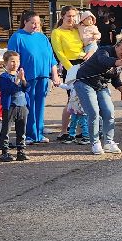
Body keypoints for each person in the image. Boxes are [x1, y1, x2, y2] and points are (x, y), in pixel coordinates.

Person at [74, 33, 122, 155]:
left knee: (109, 112)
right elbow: (103, 61)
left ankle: (109, 142)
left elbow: (116, 79)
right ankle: (95, 143)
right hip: (84, 82)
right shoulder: (104, 50)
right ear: (116, 46)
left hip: (101, 85)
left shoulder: (120, 62)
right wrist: (118, 62)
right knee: (94, 113)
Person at [6, 11, 58, 145]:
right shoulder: (17, 37)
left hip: (43, 76)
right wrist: (16, 75)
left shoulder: (43, 38)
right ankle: (29, 134)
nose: (36, 26)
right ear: (25, 22)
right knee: (28, 105)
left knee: (40, 106)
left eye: (38, 23)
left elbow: (51, 58)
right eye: (33, 23)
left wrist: (55, 75)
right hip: (27, 77)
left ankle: (38, 133)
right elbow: (12, 58)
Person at [50, 8, 85, 142]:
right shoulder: (57, 32)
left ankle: (82, 130)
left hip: (84, 63)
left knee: (84, 98)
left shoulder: (77, 30)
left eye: (74, 16)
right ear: (63, 17)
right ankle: (64, 130)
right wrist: (72, 70)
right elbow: (59, 53)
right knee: (72, 98)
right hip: (70, 65)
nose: (72, 19)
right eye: (69, 16)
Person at [0, 52, 29, 161]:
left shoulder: (19, 74)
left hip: (22, 105)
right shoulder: (4, 77)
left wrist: (23, 79)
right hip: (10, 106)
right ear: (6, 63)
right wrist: (18, 80)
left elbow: (26, 88)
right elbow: (8, 90)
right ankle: (5, 151)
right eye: (12, 61)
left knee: (22, 129)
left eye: (17, 61)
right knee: (6, 129)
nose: (15, 64)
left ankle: (21, 150)